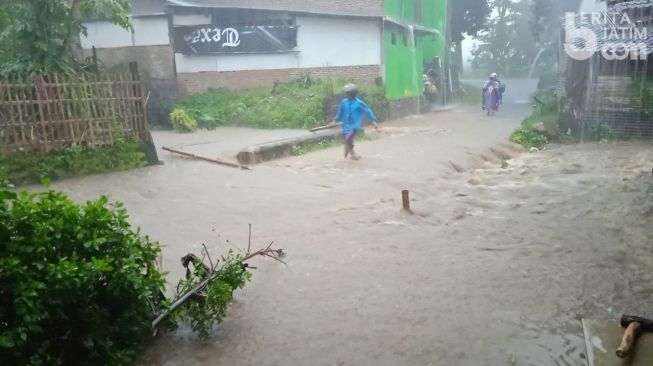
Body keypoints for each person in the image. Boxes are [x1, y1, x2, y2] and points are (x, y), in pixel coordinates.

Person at [332, 84, 379, 160]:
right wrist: (334, 121)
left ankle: (352, 153)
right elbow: (340, 113)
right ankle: (350, 154)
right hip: (346, 126)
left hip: (354, 126)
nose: (347, 95)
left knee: (347, 139)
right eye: (347, 93)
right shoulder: (344, 102)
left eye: (349, 93)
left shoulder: (359, 103)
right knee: (348, 140)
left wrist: (373, 121)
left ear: (353, 94)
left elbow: (367, 111)